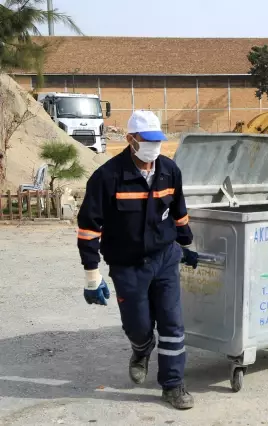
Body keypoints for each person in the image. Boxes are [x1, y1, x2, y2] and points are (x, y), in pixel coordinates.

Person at [76, 110, 199, 410]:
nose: (154, 147)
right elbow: (89, 228)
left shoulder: (170, 171)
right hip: (127, 265)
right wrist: (92, 275)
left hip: (165, 259)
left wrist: (187, 243)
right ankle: (141, 348)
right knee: (139, 324)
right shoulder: (107, 177)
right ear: (131, 140)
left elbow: (179, 211)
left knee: (172, 324)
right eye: (148, 140)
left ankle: (173, 385)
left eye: (158, 140)